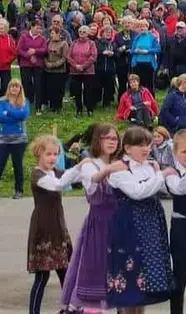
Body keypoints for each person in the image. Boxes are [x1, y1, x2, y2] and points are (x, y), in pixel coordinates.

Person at [106, 126, 174, 312]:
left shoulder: (150, 166)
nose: (146, 149)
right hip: (130, 224)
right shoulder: (120, 168)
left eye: (148, 145)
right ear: (128, 148)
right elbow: (137, 192)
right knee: (130, 276)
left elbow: (164, 188)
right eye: (141, 145)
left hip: (150, 225)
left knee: (146, 280)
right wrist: (161, 174)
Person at [60, 123, 125, 314]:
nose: (112, 142)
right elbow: (92, 190)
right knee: (96, 270)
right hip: (99, 223)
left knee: (120, 271)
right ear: (98, 140)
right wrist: (105, 171)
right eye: (107, 138)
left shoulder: (120, 163)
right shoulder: (90, 164)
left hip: (120, 223)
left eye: (115, 138)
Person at [27, 135, 81, 314]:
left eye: (56, 154)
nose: (53, 158)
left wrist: (90, 167)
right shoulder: (37, 175)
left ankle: (70, 309)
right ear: (38, 154)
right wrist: (79, 167)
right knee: (42, 276)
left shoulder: (56, 171)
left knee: (65, 273)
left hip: (58, 227)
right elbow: (58, 185)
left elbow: (74, 177)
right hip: (44, 228)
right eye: (48, 154)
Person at [165, 130, 186, 314]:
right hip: (181, 226)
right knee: (179, 277)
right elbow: (179, 189)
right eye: (185, 151)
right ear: (175, 152)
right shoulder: (172, 172)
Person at [0, 79, 31, 200]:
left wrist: (9, 112)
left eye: (17, 87)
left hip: (19, 138)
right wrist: (15, 114)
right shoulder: (2, 102)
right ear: (9, 88)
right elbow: (0, 117)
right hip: (4, 138)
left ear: (20, 89)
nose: (15, 88)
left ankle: (19, 190)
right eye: (12, 86)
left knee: (17, 164)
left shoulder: (24, 102)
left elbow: (23, 115)